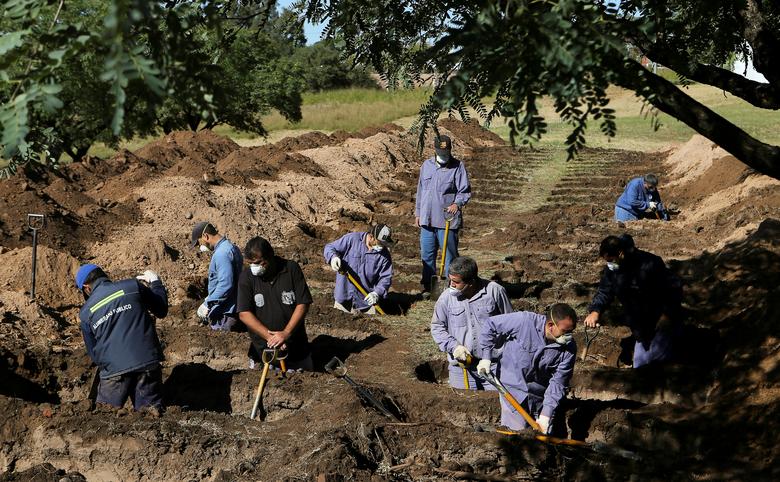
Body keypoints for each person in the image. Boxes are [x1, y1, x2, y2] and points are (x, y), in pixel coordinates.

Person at [76, 264, 168, 411]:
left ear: (87, 288)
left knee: (105, 419)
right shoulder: (132, 286)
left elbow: (94, 354)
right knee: (150, 416)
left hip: (114, 371)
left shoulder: (86, 313)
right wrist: (156, 283)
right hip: (146, 363)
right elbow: (161, 309)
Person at [584, 234, 683, 368]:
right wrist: (596, 311)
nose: (609, 264)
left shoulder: (650, 264)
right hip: (641, 327)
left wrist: (666, 315)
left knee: (658, 365)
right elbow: (605, 291)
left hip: (660, 321)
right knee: (640, 365)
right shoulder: (613, 270)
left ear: (620, 253)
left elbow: (673, 289)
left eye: (611, 260)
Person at [477, 303, 578, 433]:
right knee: (517, 435)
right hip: (512, 390)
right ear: (551, 326)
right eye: (565, 332)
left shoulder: (569, 349)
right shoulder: (524, 321)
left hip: (539, 396)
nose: (568, 336)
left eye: (571, 332)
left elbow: (558, 382)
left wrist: (545, 415)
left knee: (543, 435)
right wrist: (486, 357)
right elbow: (490, 324)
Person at [430, 256, 513, 390]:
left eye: (456, 282)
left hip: (493, 366)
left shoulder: (495, 291)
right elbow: (437, 327)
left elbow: (511, 324)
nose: (451, 284)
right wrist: (454, 347)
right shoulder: (446, 298)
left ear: (471, 282)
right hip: (461, 369)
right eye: (450, 280)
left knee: (496, 405)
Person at [237, 236, 314, 371]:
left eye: (259, 262)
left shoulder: (291, 269)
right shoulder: (247, 276)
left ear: (271, 256)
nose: (255, 268)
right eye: (251, 263)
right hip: (263, 353)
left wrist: (286, 333)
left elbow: (303, 303)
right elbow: (244, 313)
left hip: (296, 350)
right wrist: (271, 338)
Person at [415, 135, 472, 293]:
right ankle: (428, 286)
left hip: (447, 220)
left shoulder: (458, 167)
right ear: (435, 150)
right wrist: (418, 213)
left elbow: (464, 191)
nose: (443, 155)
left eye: (446, 152)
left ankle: (450, 287)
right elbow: (420, 191)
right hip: (427, 219)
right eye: (441, 152)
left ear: (450, 150)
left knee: (450, 257)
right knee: (427, 254)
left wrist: (457, 203)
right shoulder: (426, 165)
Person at [323, 224, 395, 314]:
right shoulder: (352, 239)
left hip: (366, 303)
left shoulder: (385, 256)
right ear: (371, 237)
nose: (382, 247)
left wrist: (377, 293)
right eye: (380, 243)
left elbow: (386, 278)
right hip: (343, 299)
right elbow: (329, 247)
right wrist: (333, 258)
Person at [190, 221, 243, 331]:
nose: (200, 247)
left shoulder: (221, 254)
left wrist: (207, 303)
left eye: (199, 243)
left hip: (226, 312)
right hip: (234, 306)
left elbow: (226, 284)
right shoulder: (231, 247)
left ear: (205, 236)